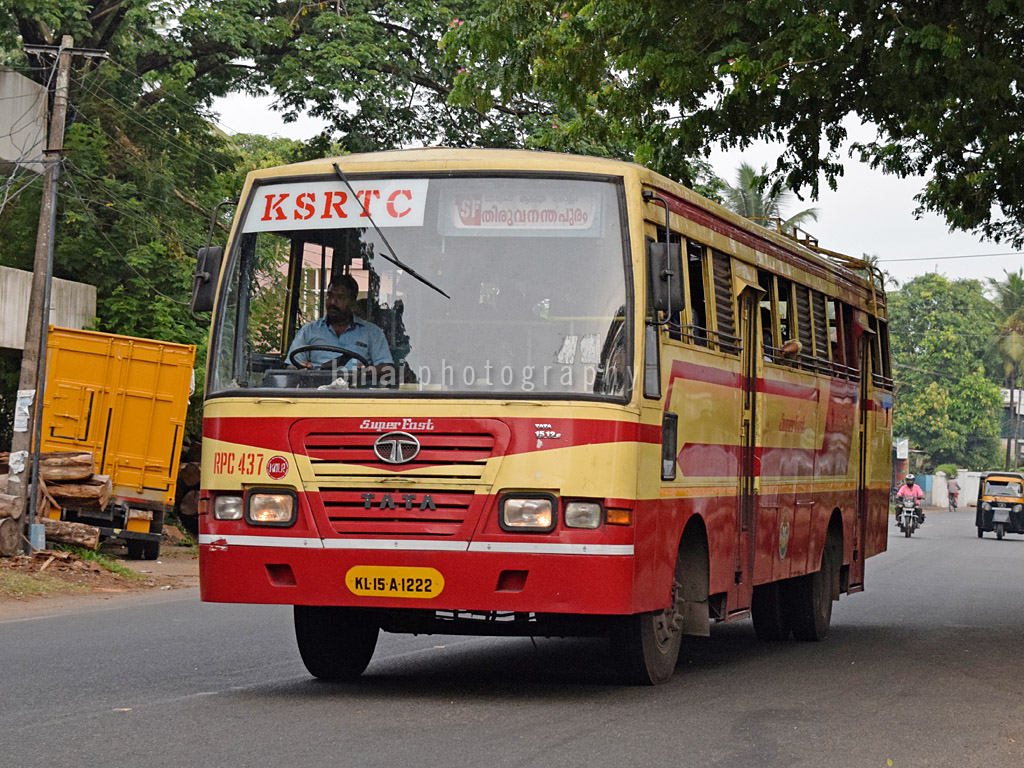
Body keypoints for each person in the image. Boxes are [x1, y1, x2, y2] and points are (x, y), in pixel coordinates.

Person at [287, 274, 394, 379]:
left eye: (340, 297)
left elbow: (386, 367)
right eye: (329, 295)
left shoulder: (372, 333)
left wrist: (369, 371)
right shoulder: (308, 331)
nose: (333, 302)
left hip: (357, 391)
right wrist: (301, 368)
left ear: (352, 301)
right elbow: (291, 365)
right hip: (316, 390)